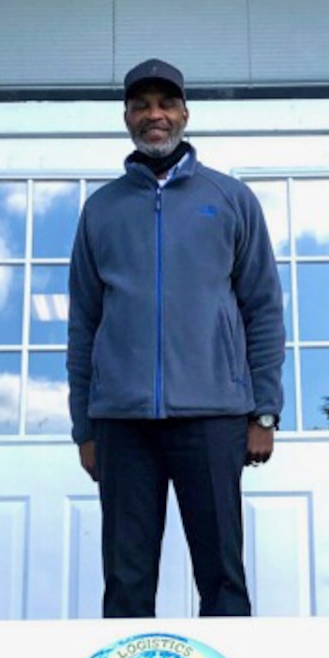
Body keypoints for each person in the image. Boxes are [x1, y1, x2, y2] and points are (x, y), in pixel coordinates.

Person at [67, 59, 285, 619]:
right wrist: (85, 427)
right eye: (142, 106)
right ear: (127, 118)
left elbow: (262, 307)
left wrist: (263, 412)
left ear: (185, 113)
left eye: (165, 104)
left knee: (221, 577)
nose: (154, 115)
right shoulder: (101, 210)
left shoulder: (231, 199)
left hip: (213, 417)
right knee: (126, 581)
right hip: (121, 423)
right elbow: (84, 322)